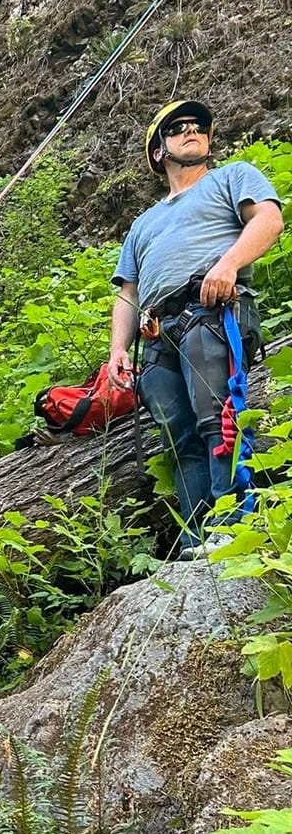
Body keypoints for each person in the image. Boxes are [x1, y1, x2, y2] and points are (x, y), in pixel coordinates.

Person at [106, 98, 284, 557]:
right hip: (157, 335)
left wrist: (228, 264)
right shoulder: (143, 224)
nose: (192, 130)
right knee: (179, 439)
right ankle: (196, 540)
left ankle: (233, 525)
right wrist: (117, 350)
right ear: (158, 151)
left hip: (211, 310)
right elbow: (128, 292)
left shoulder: (231, 177)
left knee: (217, 416)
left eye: (199, 126)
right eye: (178, 127)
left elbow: (269, 219)